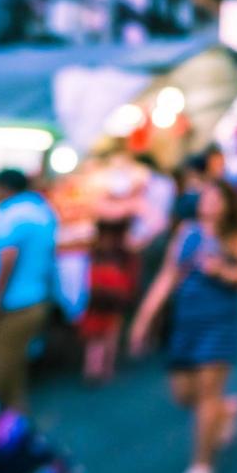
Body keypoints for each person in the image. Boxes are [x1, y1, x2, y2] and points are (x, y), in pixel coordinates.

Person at [130, 179, 237, 473]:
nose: (210, 201)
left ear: (228, 203)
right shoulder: (186, 232)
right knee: (183, 394)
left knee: (206, 395)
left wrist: (223, 272)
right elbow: (167, 276)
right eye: (205, 196)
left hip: (219, 322)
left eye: (217, 197)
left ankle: (201, 465)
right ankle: (225, 410)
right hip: (186, 322)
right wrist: (144, 317)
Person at [0, 168, 58, 411]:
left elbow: (7, 259)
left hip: (11, 308)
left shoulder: (12, 214)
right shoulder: (41, 211)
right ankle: (15, 429)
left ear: (3, 188)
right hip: (33, 302)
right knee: (13, 374)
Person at [79, 160, 143, 386]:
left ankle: (92, 366)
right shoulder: (132, 207)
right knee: (111, 323)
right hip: (116, 272)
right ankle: (104, 367)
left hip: (102, 272)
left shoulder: (100, 206)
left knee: (97, 320)